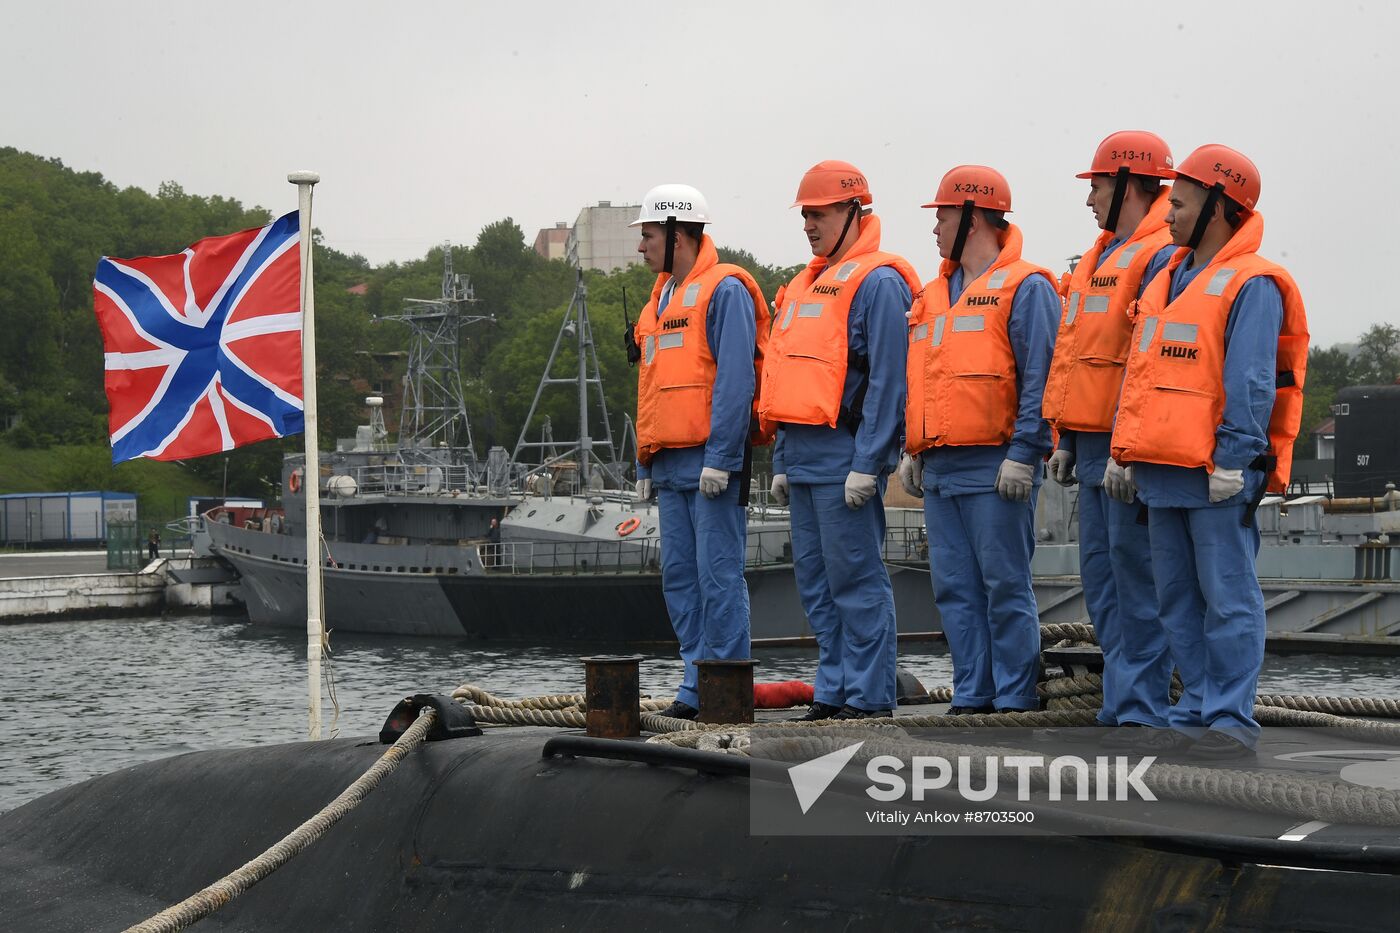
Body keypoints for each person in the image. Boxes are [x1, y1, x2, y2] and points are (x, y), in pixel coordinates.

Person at [1112, 144, 1308, 759]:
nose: (1168, 213)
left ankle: (1228, 718)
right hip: (1162, 469)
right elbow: (1139, 373)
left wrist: (1235, 457)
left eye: (1181, 201)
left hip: (1215, 472)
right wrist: (1124, 450)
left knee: (1227, 597)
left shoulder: (1252, 283)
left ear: (1219, 206)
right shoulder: (1166, 274)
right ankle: (1195, 706)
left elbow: (1251, 379)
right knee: (1175, 598)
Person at [759, 161, 920, 720]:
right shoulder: (806, 285)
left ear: (854, 211)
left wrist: (869, 462)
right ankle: (834, 690)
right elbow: (784, 377)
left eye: (819, 213)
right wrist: (781, 458)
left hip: (844, 460)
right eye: (805, 215)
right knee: (817, 585)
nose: (809, 224)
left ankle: (870, 696)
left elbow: (888, 382)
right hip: (804, 459)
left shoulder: (878, 282)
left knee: (855, 580)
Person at [898, 165, 1059, 715]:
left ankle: (1015, 696)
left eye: (942, 215)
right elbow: (923, 377)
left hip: (996, 468)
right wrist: (911, 450)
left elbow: (1042, 375)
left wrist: (1024, 452)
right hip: (941, 468)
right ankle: (973, 692)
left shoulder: (1027, 287)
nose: (935, 227)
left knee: (1004, 585)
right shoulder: (931, 294)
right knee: (954, 590)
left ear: (972, 216)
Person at [1041, 131, 1178, 746]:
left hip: (1126, 451)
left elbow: (1146, 364)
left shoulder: (1156, 255)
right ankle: (1123, 702)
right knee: (1102, 579)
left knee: (1135, 576)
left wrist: (1128, 446)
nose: (1090, 197)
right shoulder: (1098, 258)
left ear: (1126, 183)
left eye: (1096, 185)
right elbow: (1077, 358)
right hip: (1091, 446)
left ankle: (1143, 704)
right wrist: (1065, 437)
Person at [630, 183, 769, 721]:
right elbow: (650, 385)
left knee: (718, 576)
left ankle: (725, 688)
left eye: (647, 236)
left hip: (712, 464)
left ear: (676, 234)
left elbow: (735, 380)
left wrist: (721, 456)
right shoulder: (660, 300)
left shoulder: (723, 291)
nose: (641, 248)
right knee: (681, 578)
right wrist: (644, 461)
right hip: (670, 464)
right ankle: (694, 682)